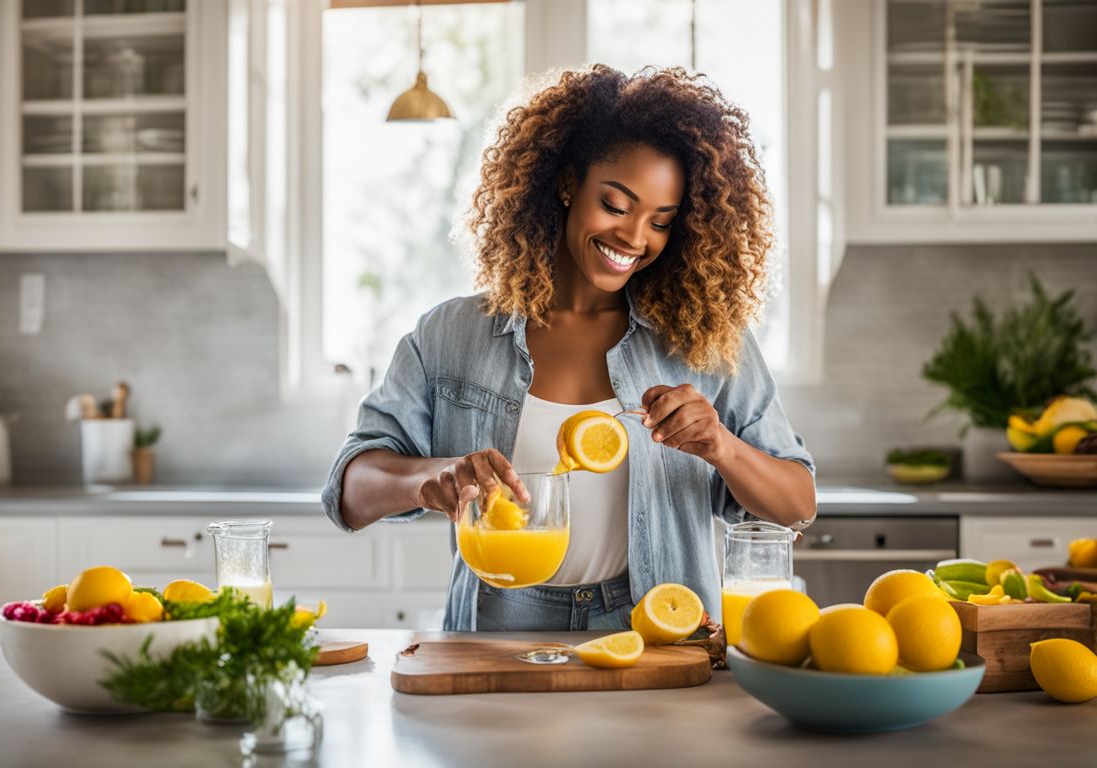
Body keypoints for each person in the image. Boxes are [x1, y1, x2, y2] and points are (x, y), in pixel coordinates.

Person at [321, 65, 816, 632]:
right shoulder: (451, 336)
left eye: (661, 221)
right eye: (615, 204)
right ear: (565, 185)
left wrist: (722, 447)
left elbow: (798, 503)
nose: (635, 238)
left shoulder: (704, 340)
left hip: (655, 630)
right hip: (499, 629)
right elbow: (349, 491)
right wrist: (432, 478)